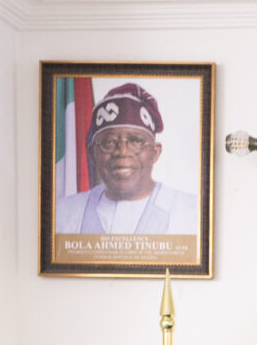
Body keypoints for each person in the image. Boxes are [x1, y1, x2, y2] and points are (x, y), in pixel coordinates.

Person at [52, 83, 201, 238]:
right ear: (93, 153)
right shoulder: (63, 213)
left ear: (155, 152)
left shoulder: (192, 212)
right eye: (109, 143)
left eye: (136, 141)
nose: (122, 152)